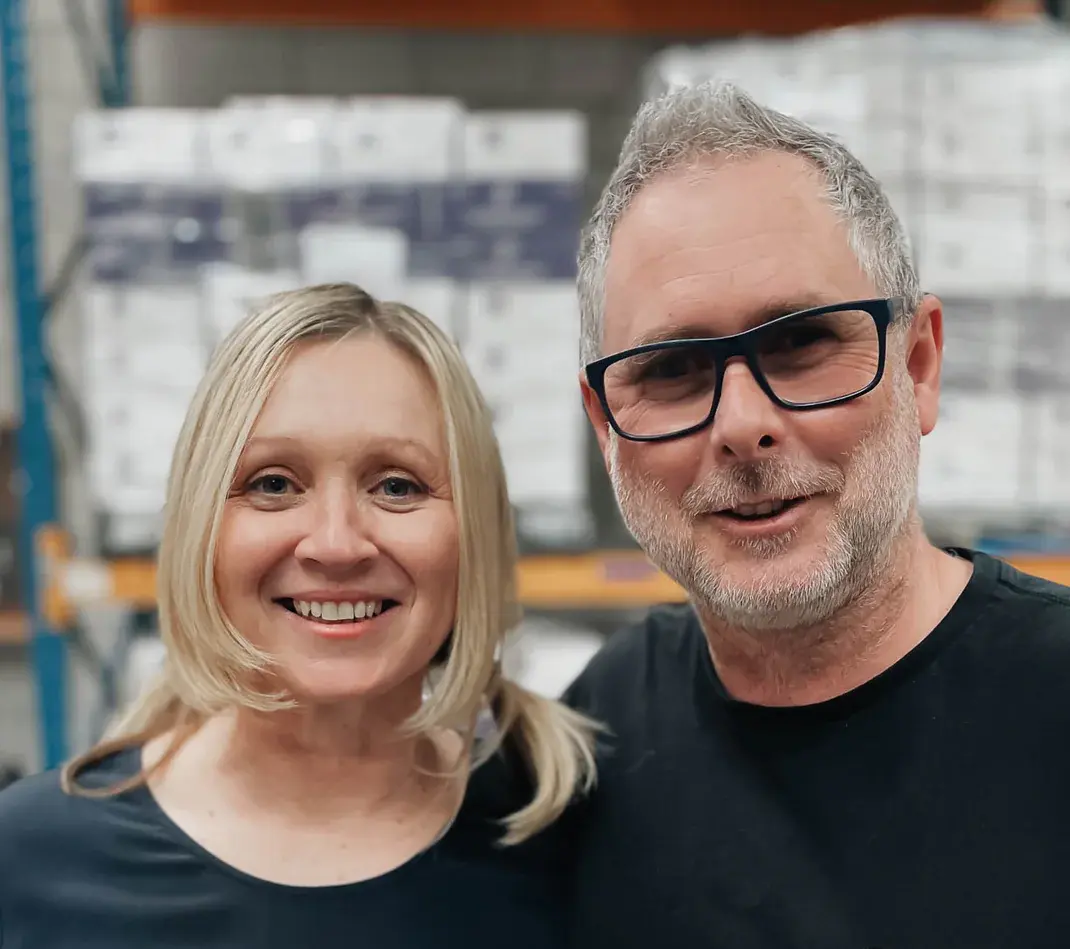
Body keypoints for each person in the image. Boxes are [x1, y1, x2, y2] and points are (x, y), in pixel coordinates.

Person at [562, 80, 1070, 948]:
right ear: (606, 425)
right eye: (675, 367)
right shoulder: (598, 734)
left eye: (799, 343)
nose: (742, 426)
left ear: (918, 366)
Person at [0, 283, 597, 948]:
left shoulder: (575, 838)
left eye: (397, 485)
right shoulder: (29, 863)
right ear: (201, 528)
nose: (336, 544)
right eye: (273, 484)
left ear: (474, 534)